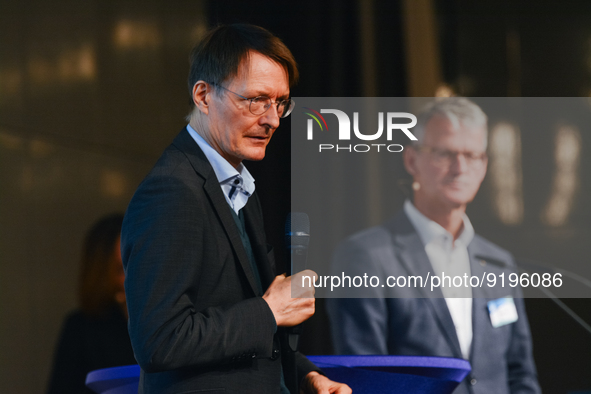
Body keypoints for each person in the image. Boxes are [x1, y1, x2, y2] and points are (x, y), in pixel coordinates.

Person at [121, 24, 350, 394]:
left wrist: (305, 376)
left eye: (280, 103)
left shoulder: (236, 182)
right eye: (256, 99)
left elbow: (247, 324)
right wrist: (269, 310)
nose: (272, 119)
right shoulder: (171, 190)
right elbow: (160, 340)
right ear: (203, 96)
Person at [327, 98, 541, 393]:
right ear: (411, 160)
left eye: (472, 155)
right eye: (445, 153)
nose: (460, 168)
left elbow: (521, 376)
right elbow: (365, 378)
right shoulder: (365, 256)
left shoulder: (498, 262)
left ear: (484, 165)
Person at [47, 213, 135, 394]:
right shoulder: (81, 329)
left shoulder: (160, 319)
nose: (131, 276)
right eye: (120, 269)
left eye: (135, 263)